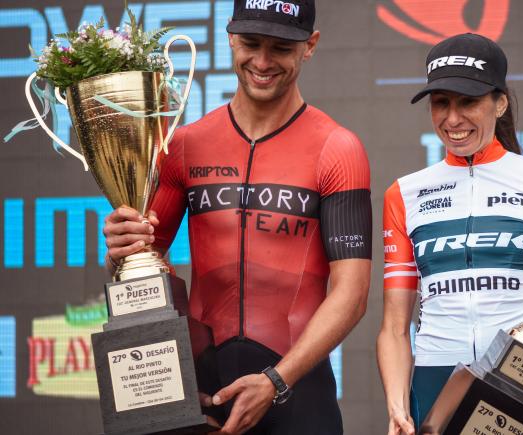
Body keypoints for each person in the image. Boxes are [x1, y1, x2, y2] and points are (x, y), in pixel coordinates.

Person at [102, 1, 372, 434]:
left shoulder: (337, 149)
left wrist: (276, 381)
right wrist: (119, 251)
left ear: (310, 46)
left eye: (281, 48)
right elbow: (139, 268)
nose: (262, 62)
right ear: (230, 37)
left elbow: (353, 294)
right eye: (250, 43)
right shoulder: (185, 145)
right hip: (200, 391)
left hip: (296, 389)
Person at [377, 33, 523, 435]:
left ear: (500, 102)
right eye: (441, 103)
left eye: (469, 102)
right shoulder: (404, 193)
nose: (453, 119)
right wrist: (396, 406)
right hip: (435, 376)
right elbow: (393, 327)